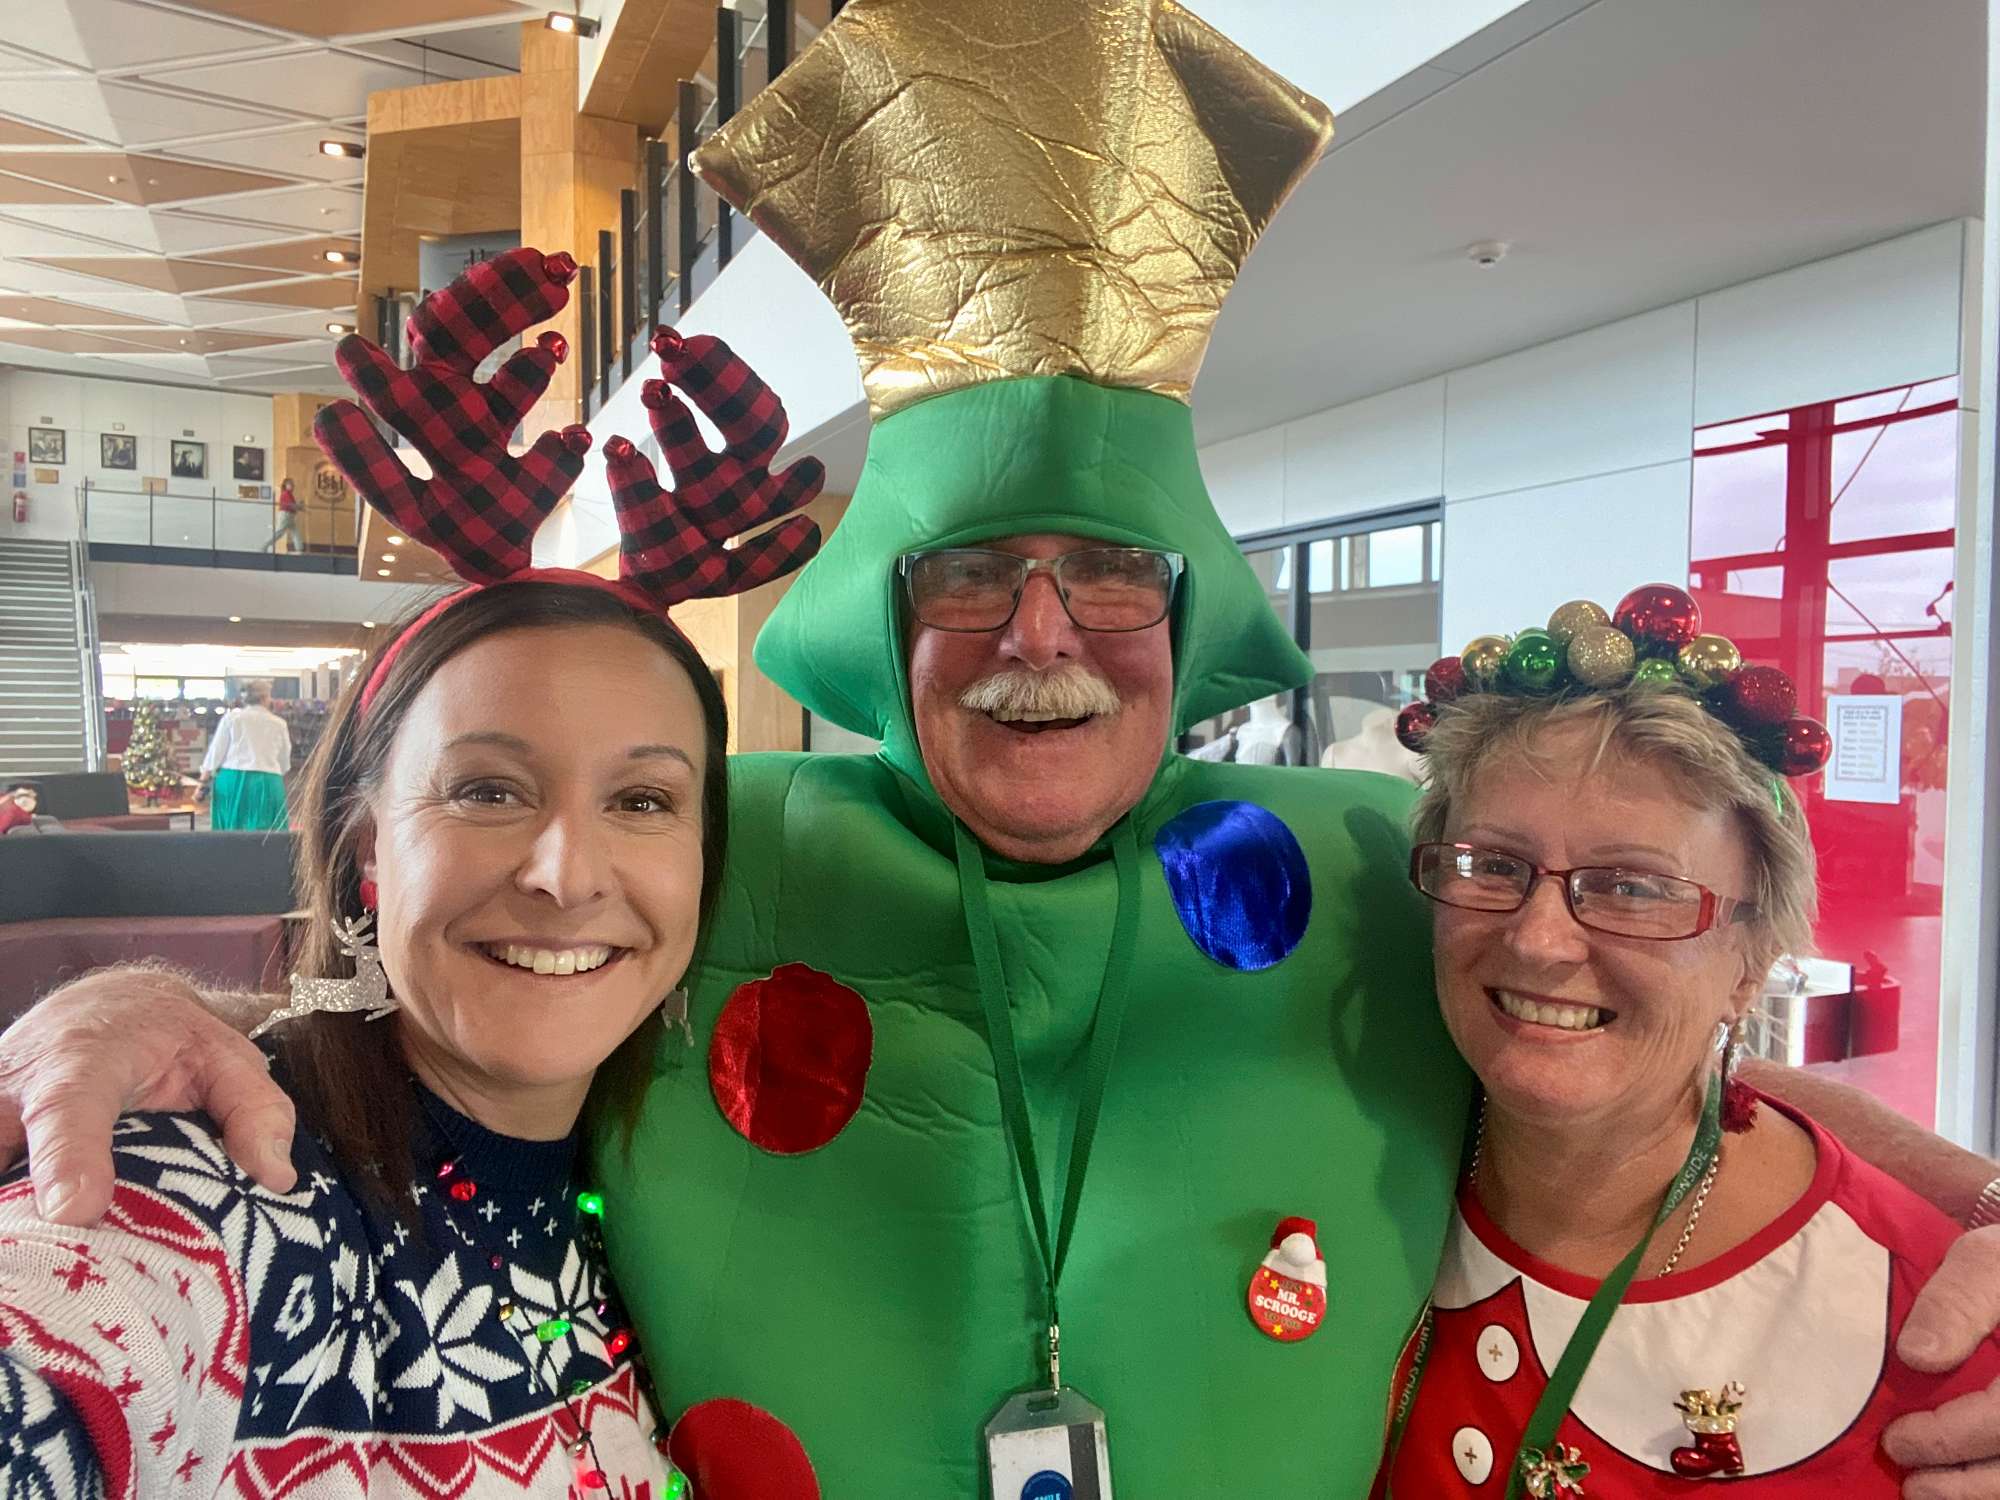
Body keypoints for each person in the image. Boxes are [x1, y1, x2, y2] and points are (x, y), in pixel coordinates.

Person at [4, 3, 2000, 1495]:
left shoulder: (1364, 862)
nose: (1041, 635)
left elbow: (1620, 1023)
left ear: (1189, 618)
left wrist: (1959, 1213)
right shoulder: (720, 839)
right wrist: (143, 1013)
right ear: (878, 625)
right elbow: (476, 975)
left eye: (1107, 574)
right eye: (970, 573)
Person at [0, 249, 823, 1496]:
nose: (567, 874)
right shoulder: (221, 1199)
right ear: (364, 848)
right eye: (488, 790)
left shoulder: (671, 1180)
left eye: (643, 800)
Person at [1374, 596, 2000, 1496]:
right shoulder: (1357, 1148)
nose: (1539, 941)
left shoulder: (1928, 1336)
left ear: (1752, 961)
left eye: (1633, 887)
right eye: (1494, 866)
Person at [197, 679, 293, 830]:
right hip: (267, 781)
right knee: (269, 832)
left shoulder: (232, 719)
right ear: (264, 698)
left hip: (231, 779)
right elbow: (284, 761)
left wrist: (202, 784)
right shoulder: (279, 724)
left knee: (230, 830)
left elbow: (215, 753)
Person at [263, 476, 304, 553]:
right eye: (290, 484)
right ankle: (264, 545)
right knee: (279, 533)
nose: (292, 485)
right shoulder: (286, 494)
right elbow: (292, 506)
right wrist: (299, 506)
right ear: (286, 485)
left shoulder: (290, 494)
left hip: (290, 516)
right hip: (285, 515)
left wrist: (299, 506)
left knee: (295, 532)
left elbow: (293, 506)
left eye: (292, 484)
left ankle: (299, 549)